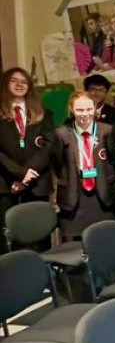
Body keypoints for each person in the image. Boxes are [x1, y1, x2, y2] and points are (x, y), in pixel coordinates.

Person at [0, 68, 54, 253]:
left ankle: (44, 278)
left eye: (24, 81)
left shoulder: (44, 114)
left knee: (39, 237)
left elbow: (48, 146)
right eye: (14, 80)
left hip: (37, 182)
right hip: (6, 183)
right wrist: (19, 173)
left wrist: (28, 174)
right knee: (9, 239)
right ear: (6, 85)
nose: (19, 84)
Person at [52, 92, 115, 239]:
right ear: (71, 109)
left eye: (89, 109)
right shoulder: (61, 134)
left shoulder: (107, 131)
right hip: (74, 195)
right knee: (76, 246)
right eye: (80, 110)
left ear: (94, 109)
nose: (85, 114)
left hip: (102, 194)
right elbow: (55, 164)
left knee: (106, 241)